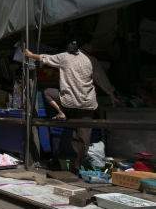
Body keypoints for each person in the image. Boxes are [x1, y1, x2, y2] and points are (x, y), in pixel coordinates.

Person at [24, 40, 119, 170]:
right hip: (86, 104)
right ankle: (78, 164)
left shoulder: (64, 57)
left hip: (69, 102)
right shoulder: (91, 60)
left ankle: (61, 112)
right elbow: (101, 79)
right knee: (83, 137)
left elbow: (45, 58)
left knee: (48, 93)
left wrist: (30, 54)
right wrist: (111, 94)